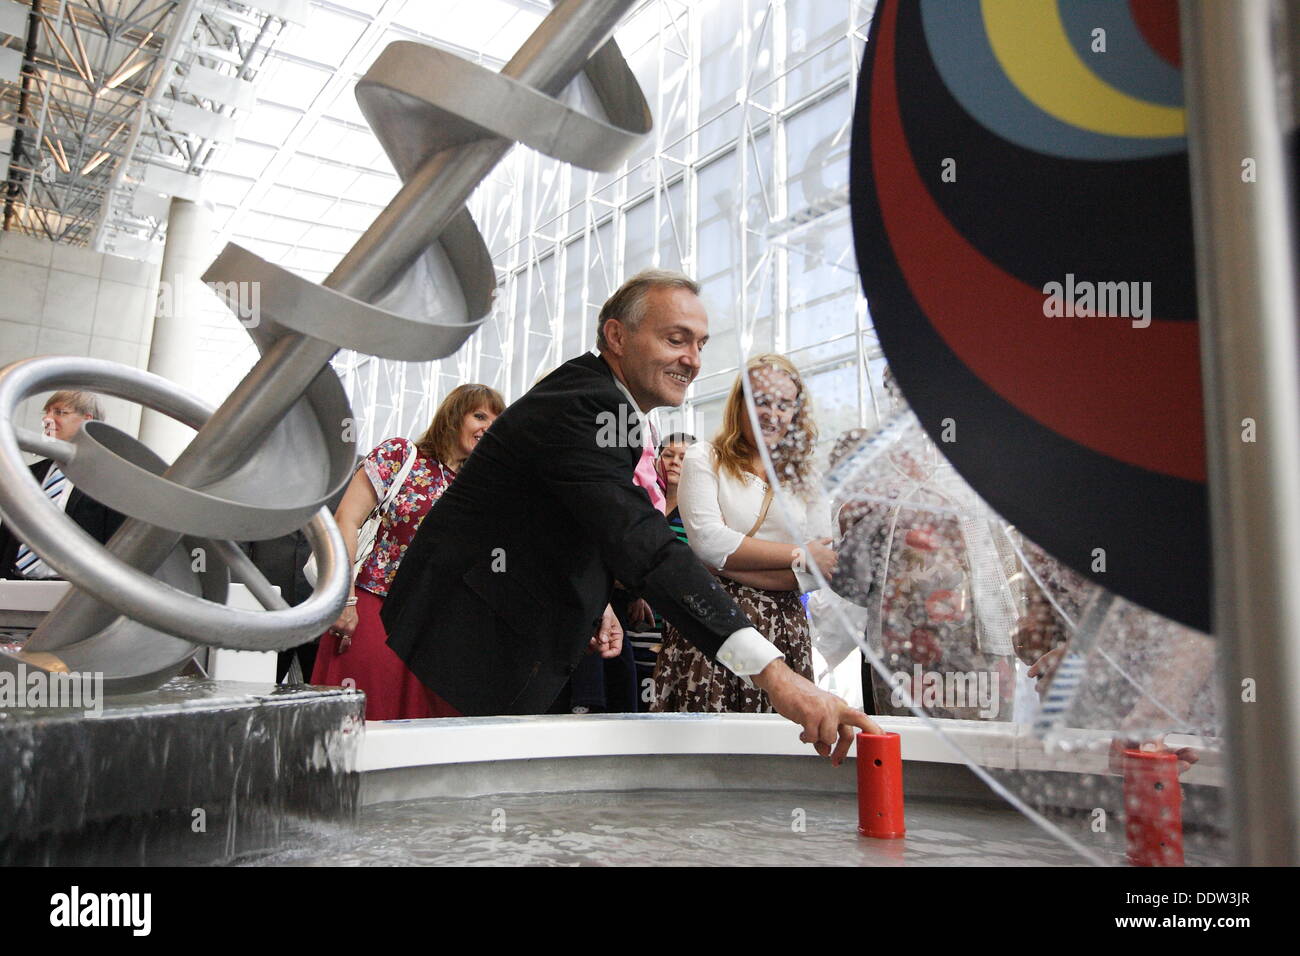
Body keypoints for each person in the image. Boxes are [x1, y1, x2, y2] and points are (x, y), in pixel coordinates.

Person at [383, 270, 879, 762]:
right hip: (465, 638)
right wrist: (773, 673)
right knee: (470, 801)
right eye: (676, 339)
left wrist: (596, 604)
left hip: (510, 631)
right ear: (617, 336)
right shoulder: (585, 403)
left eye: (701, 344)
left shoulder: (609, 405)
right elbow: (645, 543)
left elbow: (582, 521)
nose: (693, 359)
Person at [651, 356, 833, 712]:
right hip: (712, 623)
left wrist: (724, 566)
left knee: (776, 749)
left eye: (784, 405)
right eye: (762, 401)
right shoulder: (706, 456)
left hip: (784, 629)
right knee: (706, 742)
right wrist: (799, 554)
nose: (773, 414)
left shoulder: (808, 476)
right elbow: (706, 542)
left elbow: (820, 568)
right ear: (740, 404)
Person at [311, 384, 504, 719]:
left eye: (497, 419)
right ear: (453, 415)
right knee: (358, 724)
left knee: (424, 739)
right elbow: (346, 519)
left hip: (439, 629)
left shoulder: (482, 489)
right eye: (479, 414)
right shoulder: (400, 455)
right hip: (374, 609)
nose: (489, 425)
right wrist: (344, 598)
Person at [0, 392, 124, 580]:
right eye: (47, 412)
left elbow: (117, 544)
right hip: (12, 588)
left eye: (59, 412)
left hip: (74, 593)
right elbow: (7, 534)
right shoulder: (28, 473)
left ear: (86, 421)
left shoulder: (110, 478)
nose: (47, 419)